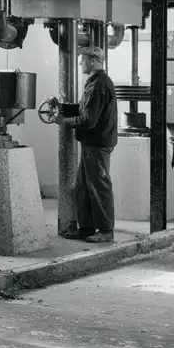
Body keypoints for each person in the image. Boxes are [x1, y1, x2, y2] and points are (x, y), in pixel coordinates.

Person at [55, 46, 118, 243]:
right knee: (83, 186)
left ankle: (106, 230)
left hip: (97, 144)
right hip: (91, 143)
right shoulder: (95, 82)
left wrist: (63, 121)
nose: (81, 62)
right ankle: (86, 227)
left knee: (99, 186)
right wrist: (63, 108)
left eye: (83, 59)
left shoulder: (99, 85)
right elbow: (86, 109)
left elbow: (89, 120)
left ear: (93, 61)